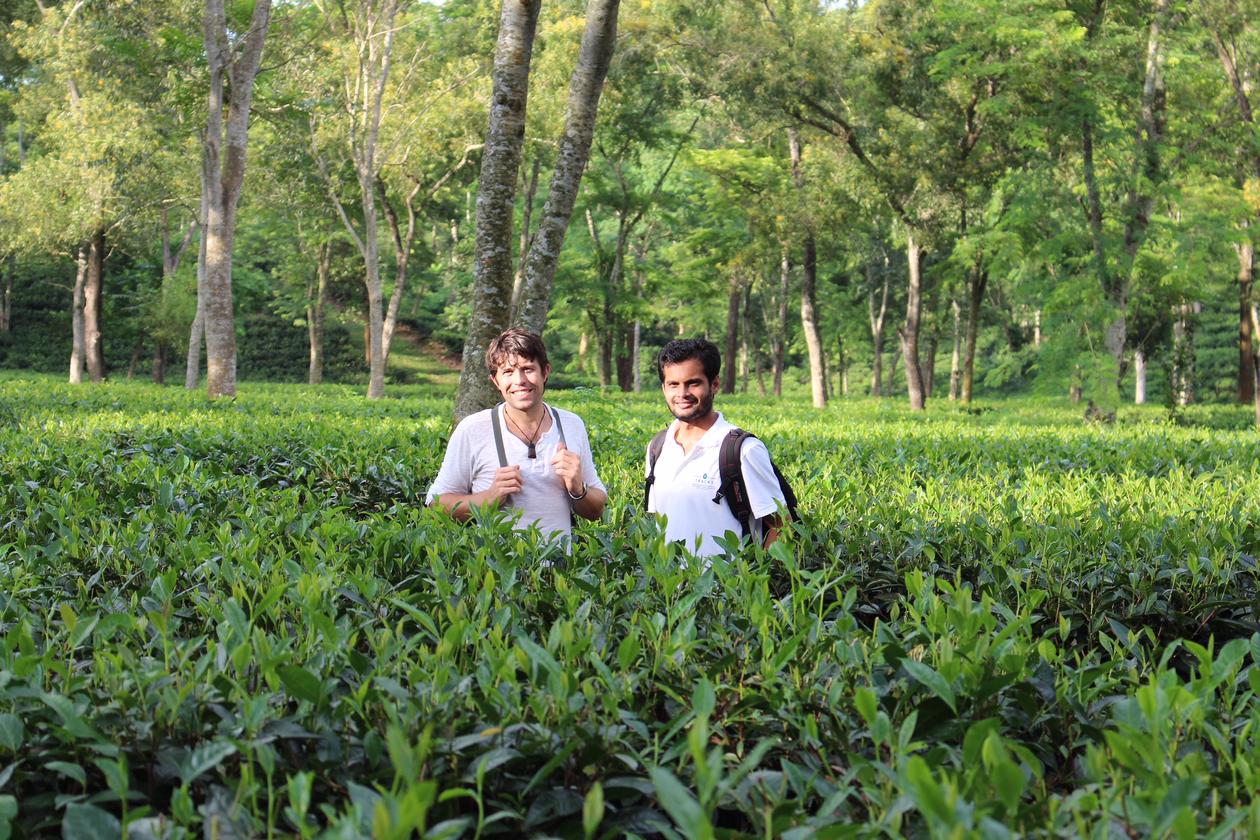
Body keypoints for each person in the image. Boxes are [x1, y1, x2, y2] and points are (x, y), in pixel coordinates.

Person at [427, 329, 606, 542]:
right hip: (496, 571)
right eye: (508, 372)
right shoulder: (473, 429)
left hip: (561, 571)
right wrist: (489, 498)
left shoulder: (571, 425)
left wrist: (578, 487)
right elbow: (436, 504)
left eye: (528, 368)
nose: (519, 380)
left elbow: (596, 510)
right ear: (495, 380)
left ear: (545, 372)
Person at [645, 338, 787, 556]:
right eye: (673, 384)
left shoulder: (743, 450)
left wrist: (759, 580)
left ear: (715, 385)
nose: (682, 394)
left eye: (693, 383)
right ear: (663, 388)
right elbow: (660, 522)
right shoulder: (658, 447)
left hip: (729, 587)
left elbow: (781, 525)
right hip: (670, 586)